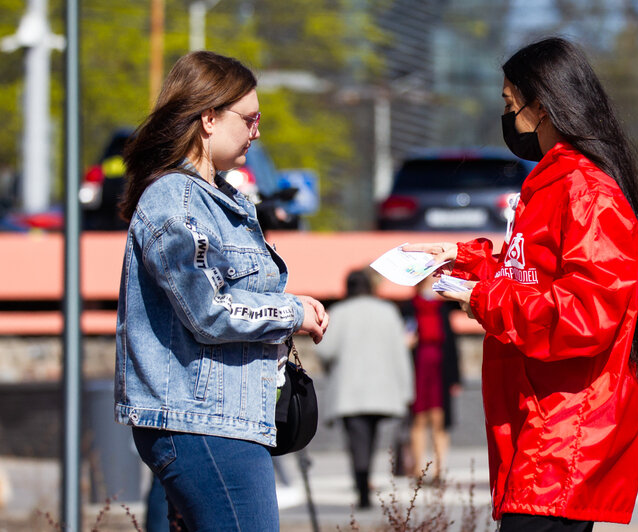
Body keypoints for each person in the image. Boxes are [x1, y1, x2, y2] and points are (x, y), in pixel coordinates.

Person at [404, 37, 638, 531]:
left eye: (509, 103)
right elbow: (530, 272)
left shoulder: (588, 192)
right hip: (535, 426)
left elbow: (584, 317)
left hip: (561, 438)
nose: (507, 117)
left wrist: (483, 298)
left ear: (540, 106)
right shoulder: (552, 183)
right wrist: (462, 259)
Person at [114, 50, 328, 532]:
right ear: (208, 118)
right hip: (202, 424)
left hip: (219, 420)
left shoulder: (224, 198)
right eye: (250, 119)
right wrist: (292, 312)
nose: (258, 131)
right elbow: (208, 309)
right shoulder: (175, 199)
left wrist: (290, 307)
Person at [315, 269, 414, 509]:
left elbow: (325, 350)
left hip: (351, 390)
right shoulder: (388, 311)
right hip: (381, 389)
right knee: (369, 439)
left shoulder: (339, 312)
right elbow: (400, 353)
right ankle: (363, 482)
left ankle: (361, 488)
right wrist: (406, 391)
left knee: (357, 439)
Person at [401, 275, 461, 483]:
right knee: (418, 419)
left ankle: (439, 470)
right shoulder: (408, 308)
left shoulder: (442, 309)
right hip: (417, 368)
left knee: (439, 420)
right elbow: (404, 338)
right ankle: (419, 470)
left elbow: (452, 345)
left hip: (439, 370)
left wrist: (455, 378)